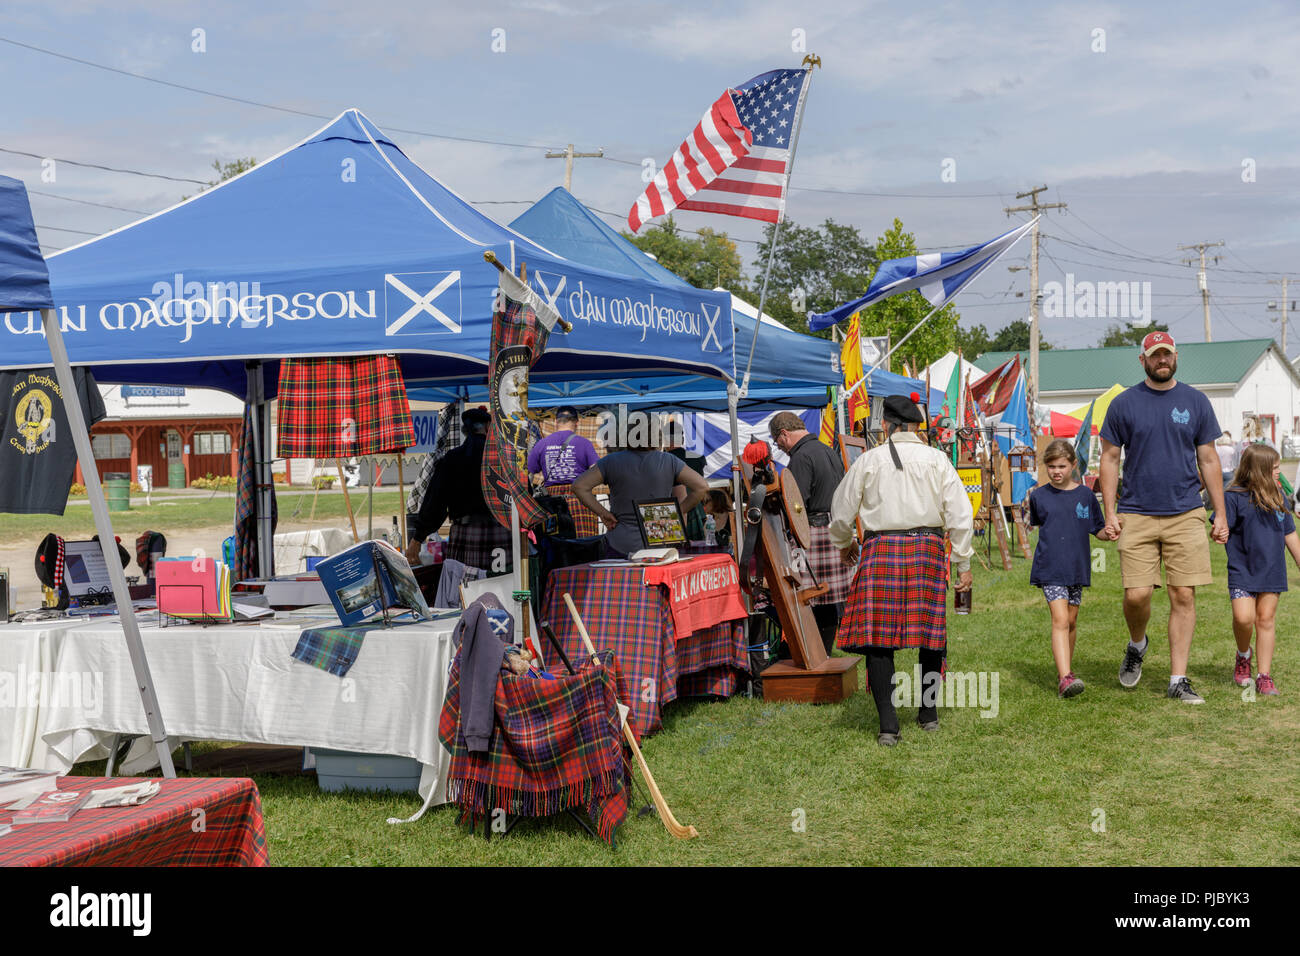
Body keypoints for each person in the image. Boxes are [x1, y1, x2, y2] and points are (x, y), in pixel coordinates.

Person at [830, 393, 974, 746]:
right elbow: (961, 514)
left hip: (881, 550)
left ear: (886, 426)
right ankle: (928, 715)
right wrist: (963, 564)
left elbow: (840, 512)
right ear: (915, 426)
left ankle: (889, 727)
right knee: (930, 636)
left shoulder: (868, 460)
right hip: (926, 549)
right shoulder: (937, 459)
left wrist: (844, 542)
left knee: (879, 640)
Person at [1098, 330, 1228, 704]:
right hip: (1136, 512)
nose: (1162, 360)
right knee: (1137, 595)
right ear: (1143, 360)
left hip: (1186, 511)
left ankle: (1177, 679)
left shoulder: (1195, 401)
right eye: (1155, 355)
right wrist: (1110, 512)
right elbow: (1109, 459)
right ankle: (1137, 643)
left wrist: (1219, 513)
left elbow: (1209, 459)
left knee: (1182, 593)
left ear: (1175, 356)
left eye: (1167, 354)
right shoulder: (1123, 404)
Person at [1028, 440, 1113, 698]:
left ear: (1073, 465)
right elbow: (1040, 524)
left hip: (1076, 567)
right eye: (1051, 466)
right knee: (1060, 620)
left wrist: (1108, 533)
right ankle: (1066, 678)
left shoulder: (1086, 496)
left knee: (1072, 621)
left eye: (1062, 466)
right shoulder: (1038, 496)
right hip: (1050, 567)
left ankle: (1065, 671)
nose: (1056, 471)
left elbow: (1096, 529)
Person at [1221, 444, 1300, 696]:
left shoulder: (1278, 497)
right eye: (1275, 468)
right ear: (1259, 470)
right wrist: (1218, 531)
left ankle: (1264, 676)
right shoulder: (1233, 495)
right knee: (1244, 618)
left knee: (1265, 619)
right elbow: (1222, 526)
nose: (1279, 472)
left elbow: (1290, 534)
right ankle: (1244, 654)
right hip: (1242, 568)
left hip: (1272, 569)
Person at [770, 410, 850, 656]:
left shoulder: (801, 457)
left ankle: (812, 653)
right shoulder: (827, 450)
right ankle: (822, 652)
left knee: (810, 598)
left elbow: (797, 504)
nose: (779, 447)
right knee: (826, 600)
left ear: (784, 434)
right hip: (833, 530)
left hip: (813, 533)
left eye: (777, 442)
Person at [406, 406, 512, 573]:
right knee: (502, 586)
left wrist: (418, 537)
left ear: (465, 431)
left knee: (463, 590)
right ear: (487, 427)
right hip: (502, 532)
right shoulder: (504, 457)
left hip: (466, 533)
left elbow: (436, 502)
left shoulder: (452, 459)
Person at [571, 434, 710, 558]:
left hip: (620, 542)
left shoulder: (611, 461)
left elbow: (579, 486)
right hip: (662, 539)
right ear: (657, 438)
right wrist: (678, 514)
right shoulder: (669, 460)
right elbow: (701, 487)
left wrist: (603, 513)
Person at [527, 406, 600, 536]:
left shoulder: (542, 444)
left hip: (552, 502)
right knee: (584, 545)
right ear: (577, 422)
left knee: (555, 546)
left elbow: (530, 471)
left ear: (556, 422)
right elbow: (596, 471)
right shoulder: (585, 443)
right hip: (580, 499)